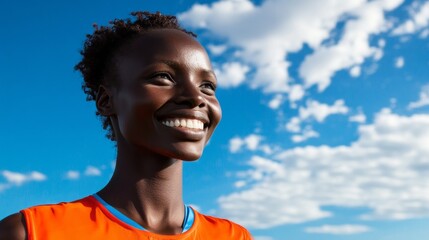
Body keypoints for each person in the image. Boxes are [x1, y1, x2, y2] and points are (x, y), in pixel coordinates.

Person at [0, 11, 252, 239]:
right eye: (163, 77)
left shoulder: (233, 237)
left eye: (207, 86)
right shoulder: (31, 232)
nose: (196, 97)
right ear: (106, 100)